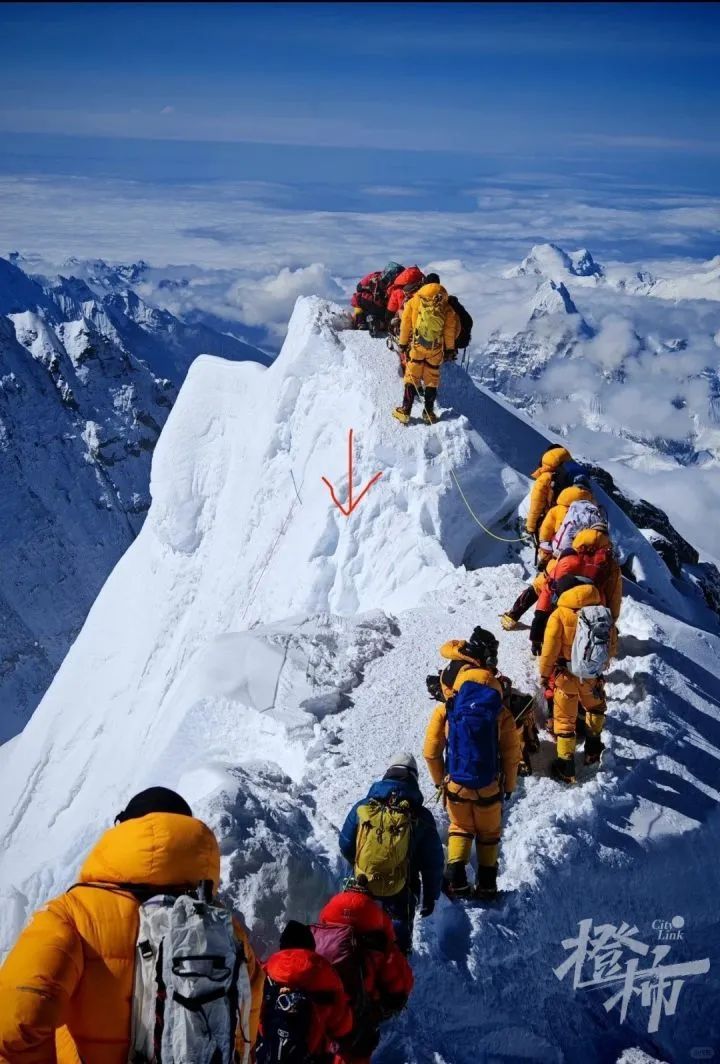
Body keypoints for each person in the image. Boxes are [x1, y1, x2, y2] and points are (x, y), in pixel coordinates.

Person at [0, 786, 265, 1063]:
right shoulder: (226, 927)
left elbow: (16, 1022)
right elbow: (243, 1030)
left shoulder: (72, 913)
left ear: (123, 830)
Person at [423, 630, 522, 900]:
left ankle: (457, 880)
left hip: (457, 784)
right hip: (490, 785)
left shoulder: (447, 708)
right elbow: (512, 755)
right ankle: (487, 885)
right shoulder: (500, 712)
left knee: (460, 828)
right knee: (489, 833)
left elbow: (431, 752)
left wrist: (440, 781)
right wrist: (509, 786)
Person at [338, 753, 444, 953]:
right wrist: (430, 896)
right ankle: (397, 958)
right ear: (414, 778)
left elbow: (345, 844)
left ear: (387, 774)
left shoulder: (363, 807)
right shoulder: (421, 816)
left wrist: (361, 864)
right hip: (401, 888)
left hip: (363, 882)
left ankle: (360, 958)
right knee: (398, 930)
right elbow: (433, 862)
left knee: (359, 930)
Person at [312, 886, 413, 1064]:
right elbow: (399, 980)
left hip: (324, 1005)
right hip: (360, 1009)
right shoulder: (378, 941)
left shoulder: (322, 933)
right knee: (358, 1048)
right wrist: (395, 1001)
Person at [426, 628, 538, 776]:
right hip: (471, 719)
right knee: (516, 712)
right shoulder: (471, 674)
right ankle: (520, 757)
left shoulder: (463, 659)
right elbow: (490, 695)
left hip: (458, 708)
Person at [538, 575, 617, 783]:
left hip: (566, 676)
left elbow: (549, 651)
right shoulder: (600, 612)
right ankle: (593, 750)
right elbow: (612, 644)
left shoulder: (559, 614)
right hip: (591, 675)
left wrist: (544, 675)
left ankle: (566, 767)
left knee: (565, 721)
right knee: (595, 708)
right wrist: (600, 665)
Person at [256, 920, 353, 1064]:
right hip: (312, 1058)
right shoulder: (327, 975)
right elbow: (343, 1027)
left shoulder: (265, 971)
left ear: (282, 946)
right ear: (311, 947)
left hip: (266, 1056)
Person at [529, 527, 623, 655]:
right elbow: (614, 596)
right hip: (594, 607)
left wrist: (537, 631)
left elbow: (548, 588)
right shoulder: (610, 563)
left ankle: (555, 656)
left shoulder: (568, 554)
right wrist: (611, 623)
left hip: (562, 607)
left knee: (556, 629)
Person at [392, 273, 459, 425]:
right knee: (432, 379)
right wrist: (449, 349)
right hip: (435, 349)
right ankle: (428, 413)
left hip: (417, 346)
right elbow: (449, 330)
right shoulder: (446, 306)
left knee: (412, 376)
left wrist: (403, 343)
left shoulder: (415, 301)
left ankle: (405, 411)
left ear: (424, 284)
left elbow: (405, 324)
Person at [525, 445, 588, 541]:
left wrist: (530, 527)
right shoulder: (574, 473)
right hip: (579, 520)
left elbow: (536, 504)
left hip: (554, 519)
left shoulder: (545, 478)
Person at [350, 263, 404, 336]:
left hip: (373, 304)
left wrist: (369, 289)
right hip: (382, 309)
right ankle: (376, 323)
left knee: (357, 298)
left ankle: (361, 321)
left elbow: (359, 288)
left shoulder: (375, 276)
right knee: (387, 320)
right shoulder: (396, 287)